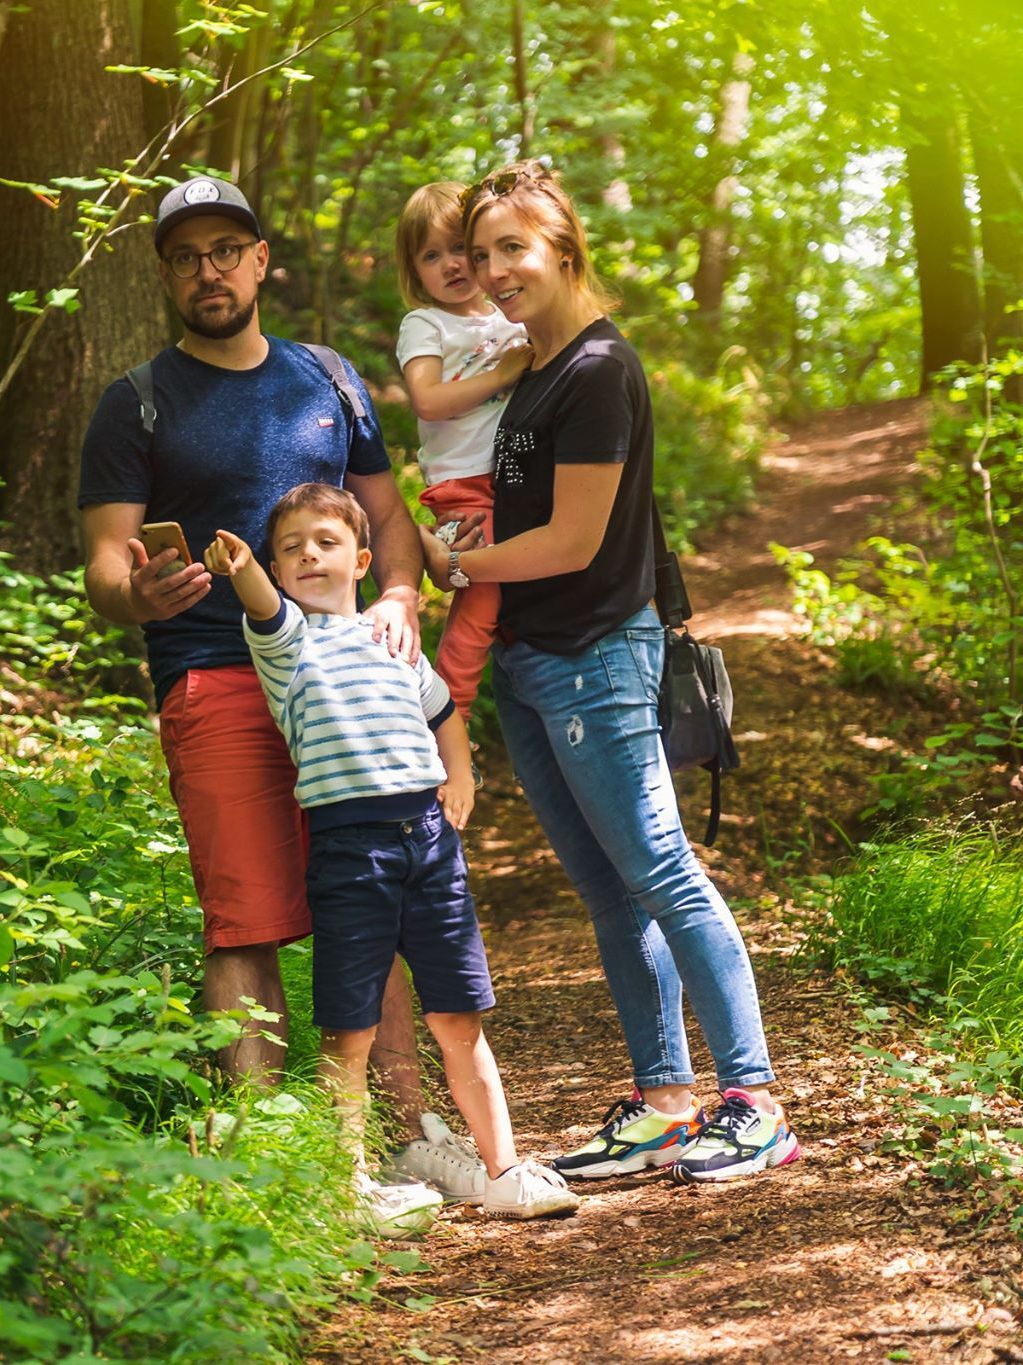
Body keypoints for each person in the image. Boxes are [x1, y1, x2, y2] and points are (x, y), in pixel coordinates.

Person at [77, 174, 485, 1199]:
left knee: (375, 903)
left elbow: (386, 516)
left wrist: (397, 594)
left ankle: (403, 1135)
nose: (205, 271)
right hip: (215, 677)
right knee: (245, 921)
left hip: (353, 685)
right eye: (184, 256)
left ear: (260, 261)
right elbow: (102, 568)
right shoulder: (134, 403)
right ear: (165, 275)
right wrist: (144, 594)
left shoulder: (327, 380)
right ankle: (280, 1166)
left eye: (225, 250)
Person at [421, 160, 800, 1182]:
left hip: (592, 654)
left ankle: (751, 1099)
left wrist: (451, 562)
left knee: (662, 873)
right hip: (531, 661)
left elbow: (574, 539)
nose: (494, 271)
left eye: (513, 249)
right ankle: (663, 1099)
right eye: (480, 253)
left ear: (563, 247)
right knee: (607, 891)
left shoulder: (594, 370)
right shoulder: (536, 368)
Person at [201, 486, 578, 1220]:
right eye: (291, 548)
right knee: (351, 1027)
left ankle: (503, 1170)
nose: (309, 553)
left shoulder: (393, 639)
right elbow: (258, 601)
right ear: (279, 571)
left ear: (362, 559)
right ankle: (348, 1188)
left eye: (326, 541)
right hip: (350, 848)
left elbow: (444, 715)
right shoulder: (287, 644)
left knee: (460, 1014)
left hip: (429, 844)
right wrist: (242, 563)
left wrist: (460, 774)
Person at [394, 181, 530, 719]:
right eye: (431, 255)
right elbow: (427, 400)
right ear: (414, 270)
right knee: (483, 594)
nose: (450, 265)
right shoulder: (426, 324)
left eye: (460, 249)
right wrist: (502, 373)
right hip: (464, 482)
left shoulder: (508, 317)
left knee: (518, 588)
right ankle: (448, 712)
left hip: (513, 475)